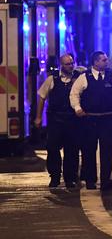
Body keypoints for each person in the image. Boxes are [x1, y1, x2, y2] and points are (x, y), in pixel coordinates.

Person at [70, 51, 112, 191]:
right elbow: (74, 94)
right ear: (95, 62)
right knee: (89, 150)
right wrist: (78, 108)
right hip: (90, 119)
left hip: (108, 119)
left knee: (107, 151)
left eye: (106, 60)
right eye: (103, 60)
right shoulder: (84, 77)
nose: (106, 62)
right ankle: (90, 180)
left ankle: (105, 180)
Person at [36, 54, 82, 188]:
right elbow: (42, 97)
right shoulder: (52, 78)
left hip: (72, 119)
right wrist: (39, 117)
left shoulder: (78, 78)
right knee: (53, 149)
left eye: (72, 63)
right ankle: (55, 176)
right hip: (56, 119)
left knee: (72, 150)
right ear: (61, 65)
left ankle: (70, 177)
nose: (71, 66)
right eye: (68, 64)